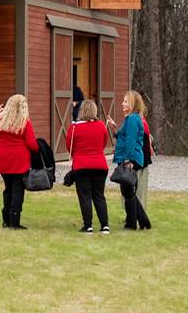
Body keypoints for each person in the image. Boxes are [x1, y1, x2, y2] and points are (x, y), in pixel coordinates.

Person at [0, 95, 36, 230]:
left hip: (3, 158)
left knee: (8, 188)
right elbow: (32, 144)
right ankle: (14, 221)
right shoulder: (24, 122)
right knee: (17, 190)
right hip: (19, 159)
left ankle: (6, 220)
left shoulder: (0, 120)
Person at [64, 99, 112, 234]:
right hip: (100, 165)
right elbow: (103, 143)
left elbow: (69, 145)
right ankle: (104, 225)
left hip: (81, 165)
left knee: (85, 195)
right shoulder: (101, 126)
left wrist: (77, 155)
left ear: (82, 111)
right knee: (99, 195)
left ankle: (88, 225)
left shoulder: (74, 127)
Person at [109, 90, 153, 231]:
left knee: (127, 192)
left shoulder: (133, 119)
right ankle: (143, 221)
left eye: (125, 101)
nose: (122, 103)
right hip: (128, 158)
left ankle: (131, 223)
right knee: (128, 192)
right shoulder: (130, 119)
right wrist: (115, 128)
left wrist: (128, 160)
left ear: (133, 104)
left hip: (130, 158)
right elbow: (123, 136)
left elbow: (131, 141)